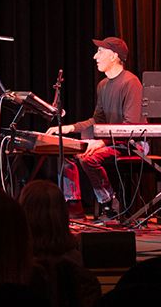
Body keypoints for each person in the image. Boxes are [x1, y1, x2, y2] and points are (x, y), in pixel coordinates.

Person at [45, 36, 143, 215]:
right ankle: (73, 204)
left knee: (88, 158)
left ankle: (109, 203)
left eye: (100, 52)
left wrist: (102, 142)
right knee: (65, 150)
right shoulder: (102, 85)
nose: (95, 56)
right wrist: (69, 128)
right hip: (111, 142)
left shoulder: (131, 82)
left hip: (132, 144)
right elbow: (97, 120)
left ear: (114, 56)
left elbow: (131, 126)